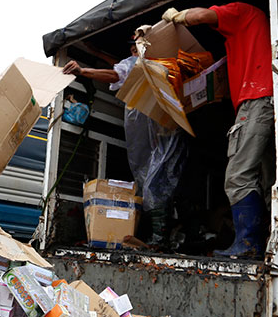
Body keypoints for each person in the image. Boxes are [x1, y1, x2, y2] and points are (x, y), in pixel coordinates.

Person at [161, 3, 273, 258]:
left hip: (255, 98)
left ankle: (248, 246)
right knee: (267, 180)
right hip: (265, 100)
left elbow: (201, 15)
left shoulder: (242, 12)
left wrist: (177, 17)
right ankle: (265, 243)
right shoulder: (253, 33)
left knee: (237, 176)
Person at [63, 35, 187, 247]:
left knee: (153, 183)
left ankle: (159, 239)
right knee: (159, 181)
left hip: (155, 133)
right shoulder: (163, 64)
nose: (132, 52)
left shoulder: (141, 64)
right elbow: (120, 67)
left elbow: (115, 74)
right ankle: (162, 236)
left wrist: (83, 71)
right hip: (169, 131)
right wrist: (96, 54)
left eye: (135, 47)